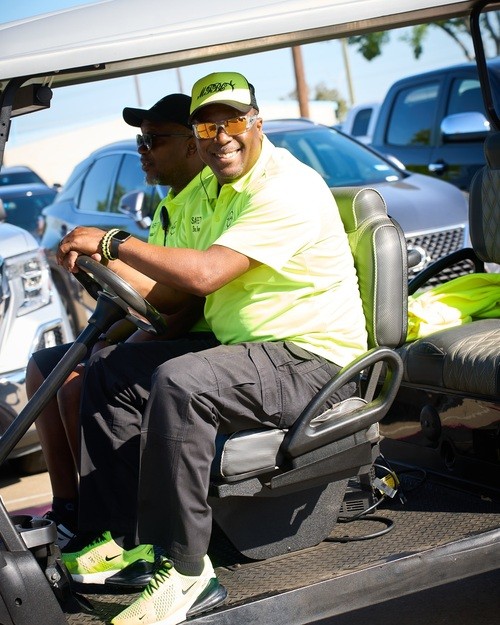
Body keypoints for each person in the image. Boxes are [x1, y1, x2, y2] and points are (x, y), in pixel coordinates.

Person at [56, 71, 368, 625]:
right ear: (197, 137)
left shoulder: (284, 187)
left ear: (256, 123)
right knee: (112, 370)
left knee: (183, 382)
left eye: (232, 122)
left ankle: (187, 573)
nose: (221, 136)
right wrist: (106, 266)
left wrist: (112, 242)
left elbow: (204, 275)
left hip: (311, 360)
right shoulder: (218, 193)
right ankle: (129, 544)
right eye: (207, 127)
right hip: (251, 351)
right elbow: (177, 293)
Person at [25, 93, 215, 549]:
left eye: (154, 140)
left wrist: (114, 347)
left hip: (202, 339)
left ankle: (109, 530)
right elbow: (149, 294)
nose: (143, 151)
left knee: (81, 380)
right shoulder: (170, 206)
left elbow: (187, 305)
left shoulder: (209, 201)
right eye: (139, 141)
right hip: (167, 331)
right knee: (44, 367)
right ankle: (69, 509)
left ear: (192, 144)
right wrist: (106, 334)